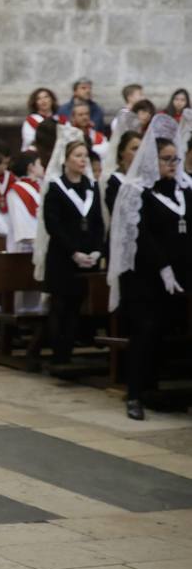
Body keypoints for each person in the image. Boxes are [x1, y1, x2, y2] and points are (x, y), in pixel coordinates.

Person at [109, 117, 191, 420]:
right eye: (166, 159)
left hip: (180, 276)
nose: (172, 164)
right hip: (145, 278)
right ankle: (134, 394)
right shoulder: (137, 192)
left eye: (175, 159)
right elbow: (141, 236)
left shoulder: (184, 191)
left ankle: (157, 390)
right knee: (145, 332)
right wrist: (163, 266)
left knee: (168, 334)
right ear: (151, 161)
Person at [39, 138, 105, 367]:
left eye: (84, 156)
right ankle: (59, 355)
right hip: (63, 257)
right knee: (60, 306)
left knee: (77, 307)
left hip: (87, 258)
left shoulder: (91, 187)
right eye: (77, 156)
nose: (82, 160)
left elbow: (98, 222)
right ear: (66, 160)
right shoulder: (56, 188)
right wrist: (73, 252)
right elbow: (53, 225)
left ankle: (69, 352)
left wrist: (97, 250)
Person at [5, 151, 43, 253]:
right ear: (31, 167)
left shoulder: (39, 187)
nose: (42, 167)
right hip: (24, 251)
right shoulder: (16, 191)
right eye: (39, 164)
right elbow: (22, 226)